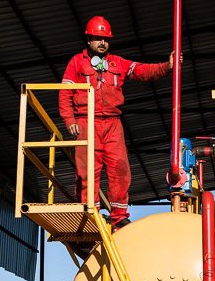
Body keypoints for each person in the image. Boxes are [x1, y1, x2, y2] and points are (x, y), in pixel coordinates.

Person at [59, 16, 180, 231]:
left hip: (113, 124)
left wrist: (167, 67)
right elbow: (64, 93)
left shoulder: (117, 62)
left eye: (105, 39)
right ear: (88, 40)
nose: (102, 43)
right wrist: (69, 120)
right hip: (87, 123)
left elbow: (143, 71)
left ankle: (118, 217)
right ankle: (91, 216)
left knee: (120, 170)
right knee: (87, 173)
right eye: (98, 38)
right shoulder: (77, 62)